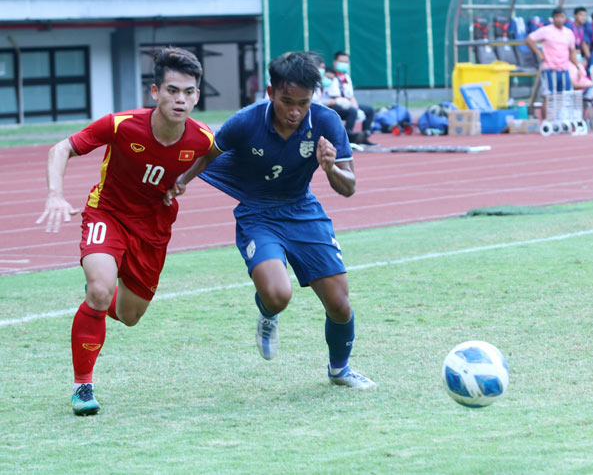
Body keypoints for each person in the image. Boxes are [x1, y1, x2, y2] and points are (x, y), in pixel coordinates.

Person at [168, 51, 376, 390]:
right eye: (287, 101)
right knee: (278, 295)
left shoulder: (326, 122)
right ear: (270, 93)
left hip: (303, 210)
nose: (295, 111)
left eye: (304, 103)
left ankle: (340, 370)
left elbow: (349, 188)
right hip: (258, 212)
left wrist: (330, 167)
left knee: (340, 304)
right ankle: (267, 313)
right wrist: (181, 182)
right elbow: (208, 154)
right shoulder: (245, 122)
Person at [35, 47, 219, 416]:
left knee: (131, 316)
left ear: (197, 95)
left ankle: (97, 296)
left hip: (154, 228)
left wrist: (182, 181)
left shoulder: (202, 137)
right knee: (101, 291)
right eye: (172, 91)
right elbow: (61, 149)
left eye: (188, 92)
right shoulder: (121, 124)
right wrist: (55, 195)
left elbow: (210, 155)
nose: (180, 100)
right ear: (155, 92)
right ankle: (82, 386)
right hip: (109, 214)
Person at [526, 7, 579, 109]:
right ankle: (546, 122)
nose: (559, 19)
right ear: (553, 18)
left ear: (565, 18)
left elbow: (572, 51)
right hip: (549, 69)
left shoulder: (569, 33)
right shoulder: (546, 30)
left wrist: (577, 67)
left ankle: (560, 121)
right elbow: (529, 39)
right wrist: (538, 52)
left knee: (564, 97)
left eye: (562, 17)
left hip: (564, 69)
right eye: (557, 17)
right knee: (549, 97)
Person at [324, 51, 377, 147]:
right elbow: (335, 96)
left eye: (346, 62)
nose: (344, 64)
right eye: (342, 61)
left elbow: (351, 96)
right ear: (335, 62)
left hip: (348, 104)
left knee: (369, 110)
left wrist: (357, 109)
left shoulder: (347, 77)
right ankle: (349, 139)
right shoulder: (329, 77)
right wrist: (353, 109)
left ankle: (364, 137)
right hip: (335, 105)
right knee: (351, 111)